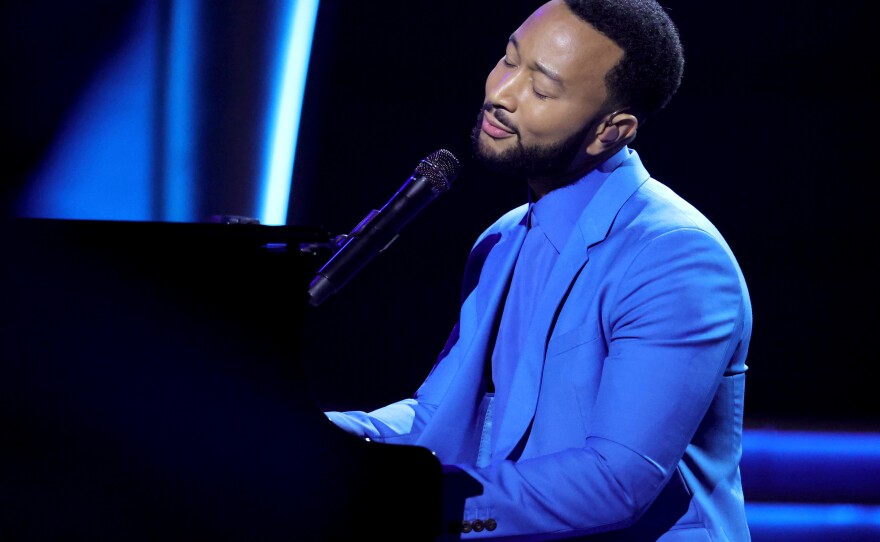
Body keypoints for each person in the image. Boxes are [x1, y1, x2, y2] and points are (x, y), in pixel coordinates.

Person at [325, 0, 753, 539]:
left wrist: (408, 497)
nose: (501, 95)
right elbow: (441, 416)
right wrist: (314, 440)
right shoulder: (501, 239)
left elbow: (615, 482)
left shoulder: (674, 256)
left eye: (542, 90)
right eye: (508, 59)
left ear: (610, 131)